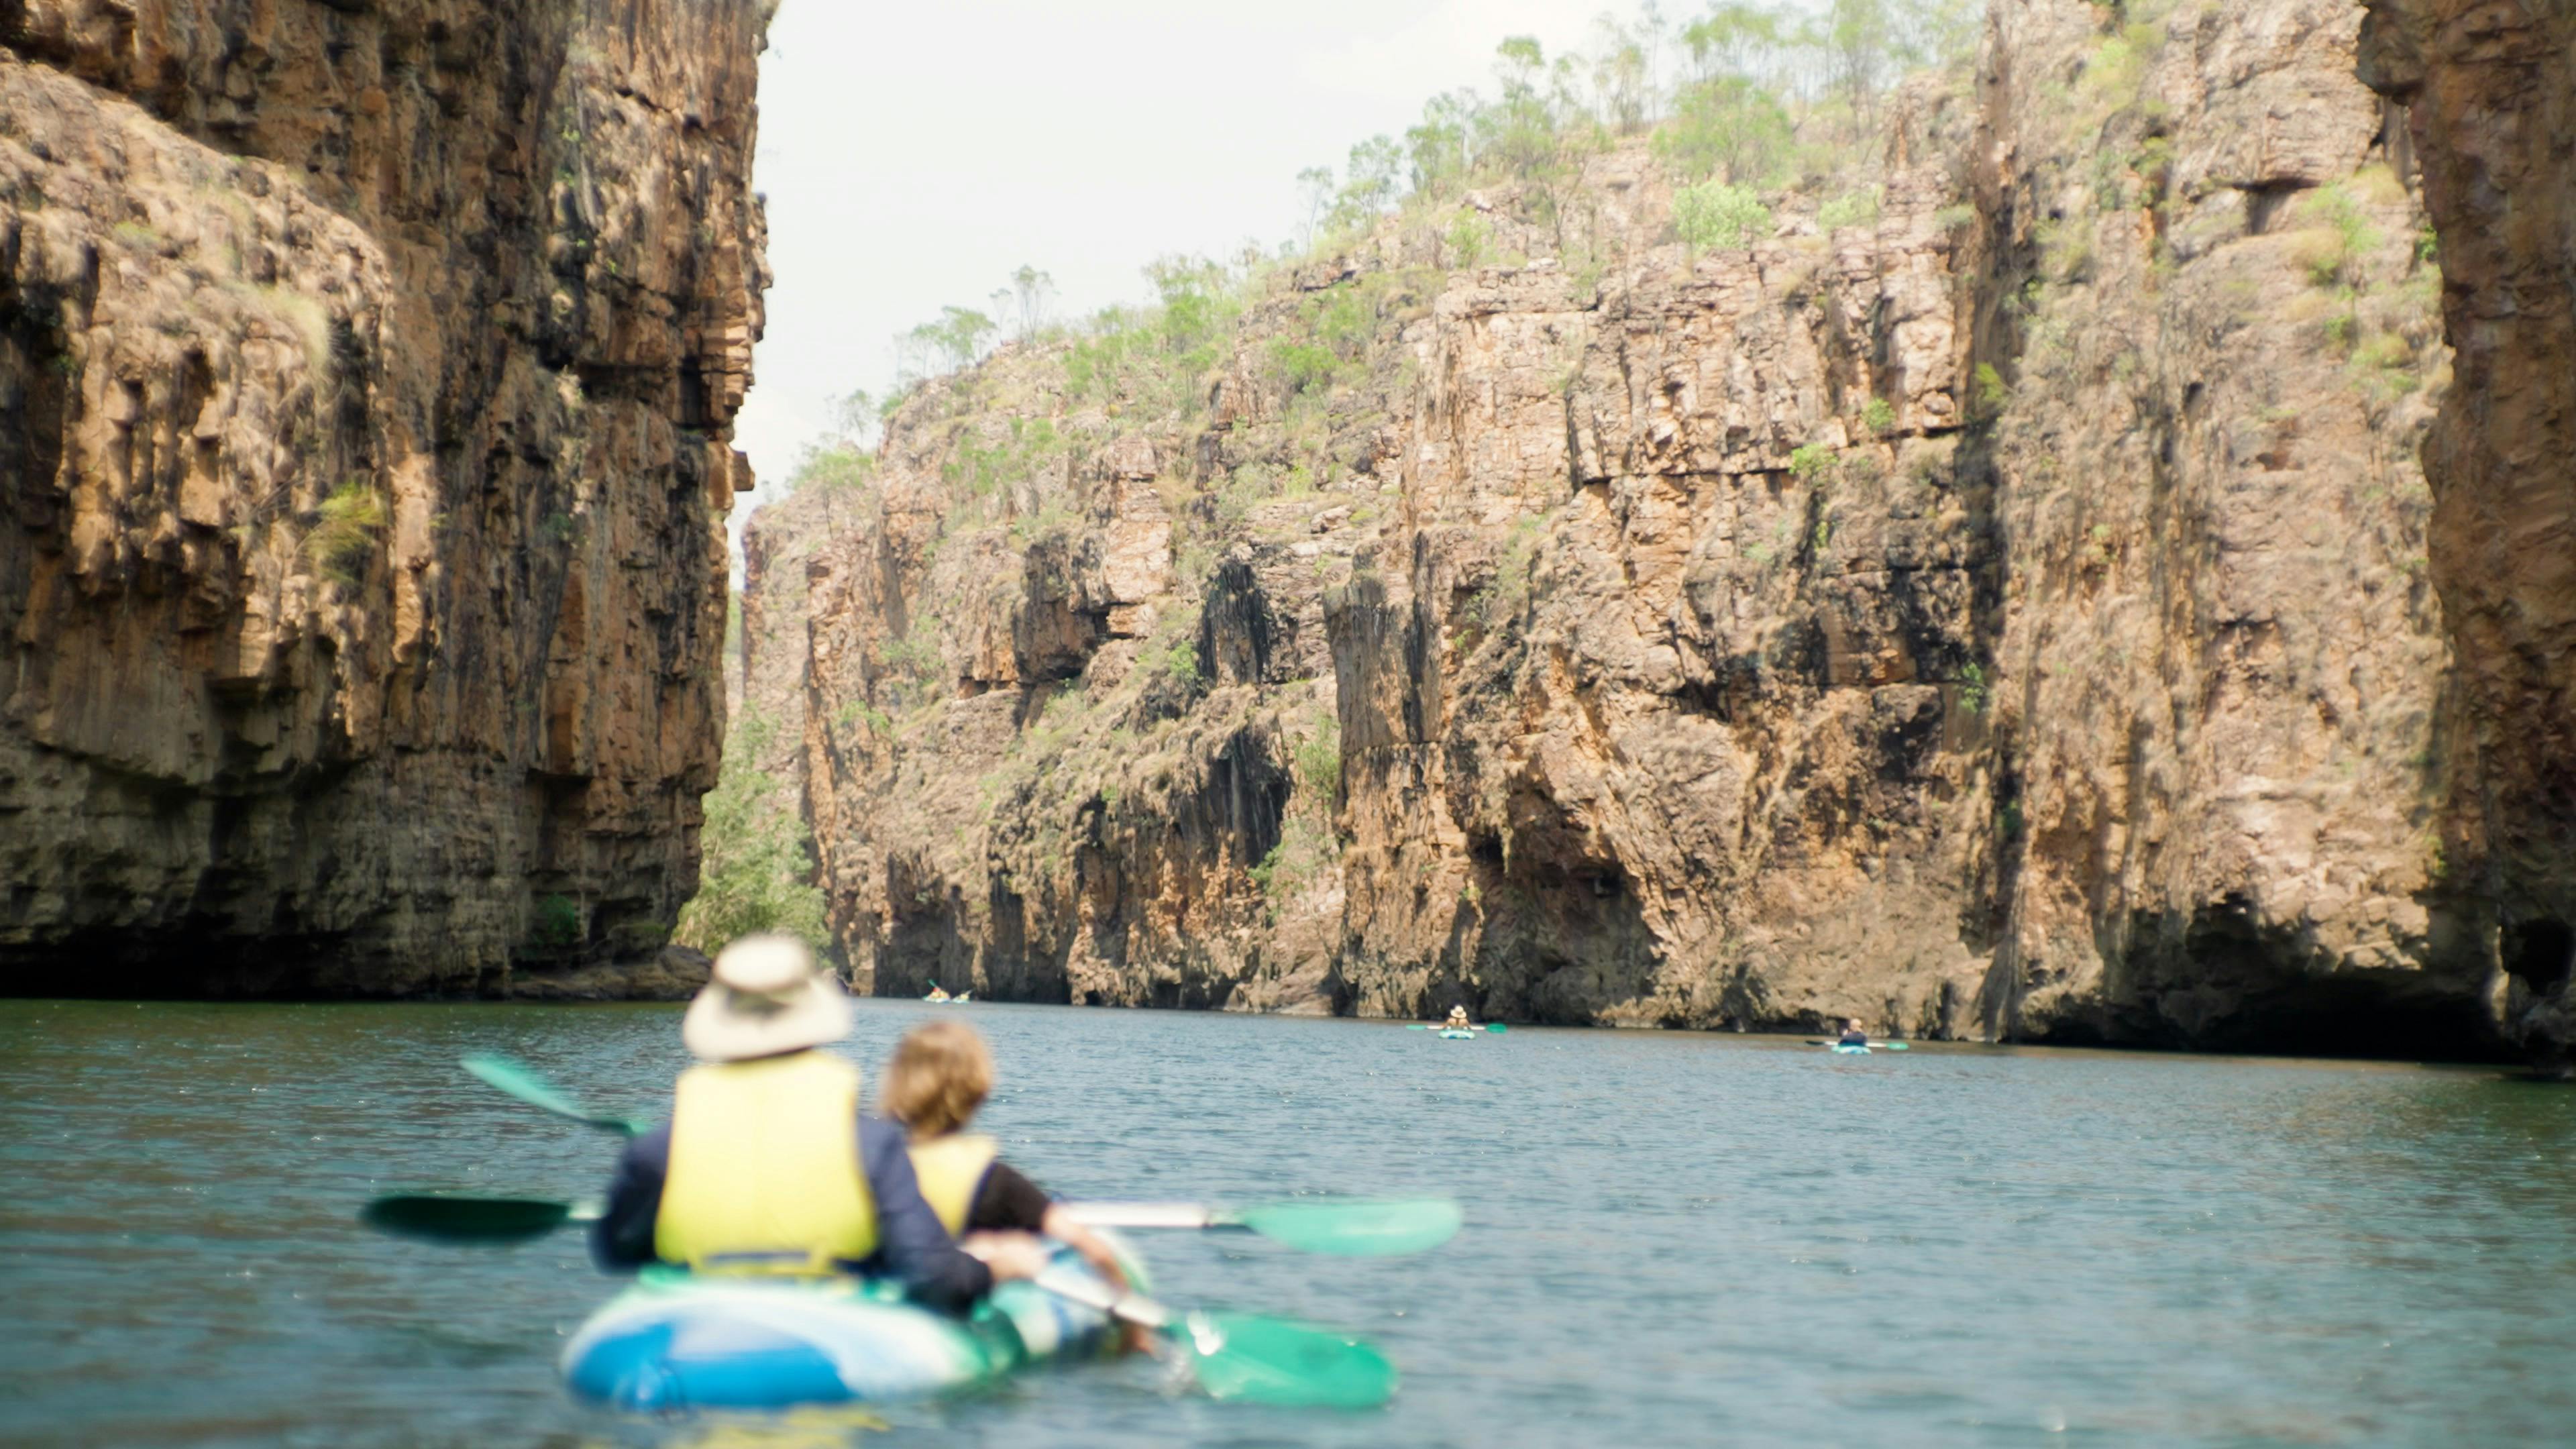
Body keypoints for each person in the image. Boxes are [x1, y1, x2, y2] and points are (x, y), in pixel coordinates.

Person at [589, 935, 1046, 1313]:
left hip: (698, 1318)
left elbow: (615, 1250)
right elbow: (933, 1278)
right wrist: (994, 1270)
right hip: (829, 1316)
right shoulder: (872, 1144)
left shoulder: (658, 1149)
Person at [877, 1020, 1141, 1310]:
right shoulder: (994, 1183)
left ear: (896, 1085)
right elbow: (1097, 1253)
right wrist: (1134, 1329)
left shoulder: (873, 1166)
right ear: (979, 1088)